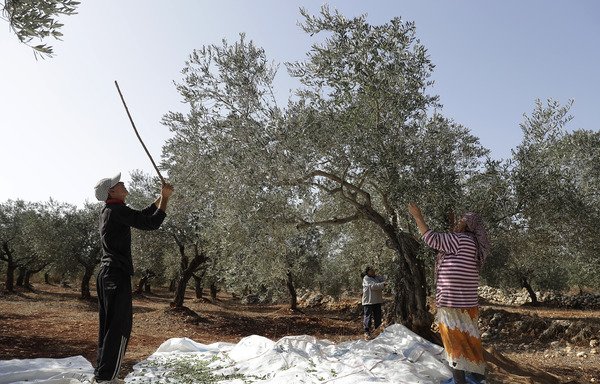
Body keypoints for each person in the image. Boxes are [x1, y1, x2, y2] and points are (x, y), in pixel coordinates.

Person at [92, 173, 174, 383]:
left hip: (107, 274)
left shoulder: (111, 210)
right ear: (111, 191)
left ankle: (102, 376)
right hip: (116, 275)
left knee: (108, 326)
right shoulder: (116, 210)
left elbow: (142, 215)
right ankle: (108, 378)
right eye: (118, 183)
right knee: (119, 326)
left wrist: (160, 196)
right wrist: (165, 199)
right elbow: (151, 223)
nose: (122, 183)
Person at [408, 202, 489, 384]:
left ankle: (460, 381)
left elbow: (431, 238)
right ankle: (479, 378)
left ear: (467, 225)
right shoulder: (476, 245)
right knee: (470, 341)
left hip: (451, 303)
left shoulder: (459, 239)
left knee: (454, 344)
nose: (458, 223)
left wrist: (417, 216)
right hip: (468, 305)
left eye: (462, 220)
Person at [361, 266, 386, 340]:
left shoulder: (377, 277)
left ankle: (378, 332)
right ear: (367, 272)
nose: (373, 272)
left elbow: (384, 279)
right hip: (368, 301)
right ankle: (366, 332)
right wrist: (383, 284)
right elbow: (372, 286)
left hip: (377, 300)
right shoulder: (366, 278)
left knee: (378, 316)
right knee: (368, 316)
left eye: (374, 270)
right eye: (371, 270)